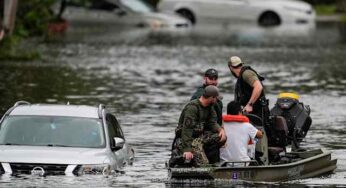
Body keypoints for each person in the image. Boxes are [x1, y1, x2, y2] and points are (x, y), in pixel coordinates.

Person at [170, 85, 226, 167]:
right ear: (211, 98)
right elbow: (187, 130)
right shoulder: (193, 108)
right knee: (203, 165)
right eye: (216, 98)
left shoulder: (210, 107)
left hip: (199, 138)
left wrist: (221, 130)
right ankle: (189, 154)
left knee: (220, 136)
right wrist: (187, 150)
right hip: (186, 139)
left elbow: (212, 123)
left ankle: (205, 151)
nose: (217, 100)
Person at [228, 56, 269, 122]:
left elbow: (258, 87)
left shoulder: (246, 73)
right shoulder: (241, 76)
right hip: (251, 114)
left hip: (258, 113)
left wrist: (250, 105)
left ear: (230, 67)